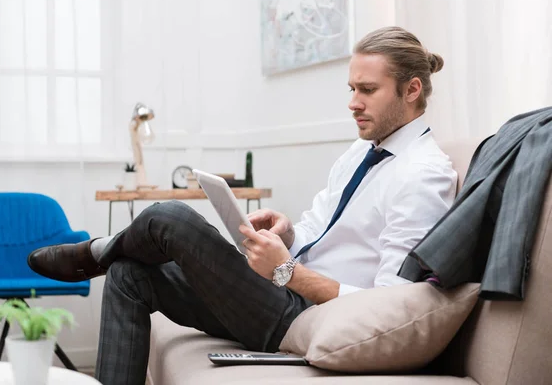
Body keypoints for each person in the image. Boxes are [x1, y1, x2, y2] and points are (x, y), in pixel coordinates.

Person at [28, 26, 457, 384]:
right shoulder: (361, 151)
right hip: (280, 292)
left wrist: (286, 270)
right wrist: (287, 233)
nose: (352, 103)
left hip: (304, 316)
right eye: (351, 89)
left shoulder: (423, 175)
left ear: (411, 89)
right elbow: (318, 230)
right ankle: (109, 257)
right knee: (129, 275)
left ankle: (93, 254)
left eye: (367, 90)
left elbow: (388, 306)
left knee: (170, 218)